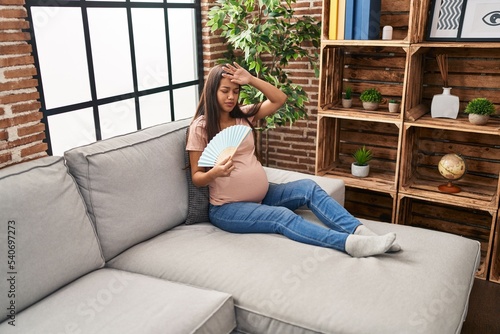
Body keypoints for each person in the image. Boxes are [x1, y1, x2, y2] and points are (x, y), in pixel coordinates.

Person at [186, 62, 400, 257]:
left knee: (308, 187)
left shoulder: (243, 115)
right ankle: (349, 244)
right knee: (282, 216)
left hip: (263, 194)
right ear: (211, 91)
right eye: (225, 91)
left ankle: (361, 232)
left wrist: (250, 79)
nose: (231, 96)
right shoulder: (201, 127)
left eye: (236, 91)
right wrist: (214, 172)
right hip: (228, 208)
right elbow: (197, 177)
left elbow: (279, 99)